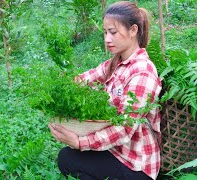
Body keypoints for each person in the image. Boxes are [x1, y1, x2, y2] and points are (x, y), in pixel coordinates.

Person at [48, 1, 162, 180]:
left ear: (133, 30)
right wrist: (61, 86)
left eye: (113, 32)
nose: (107, 39)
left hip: (136, 164)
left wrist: (80, 142)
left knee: (69, 159)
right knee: (66, 157)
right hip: (116, 150)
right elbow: (86, 78)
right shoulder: (116, 63)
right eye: (105, 32)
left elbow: (125, 128)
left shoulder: (142, 72)